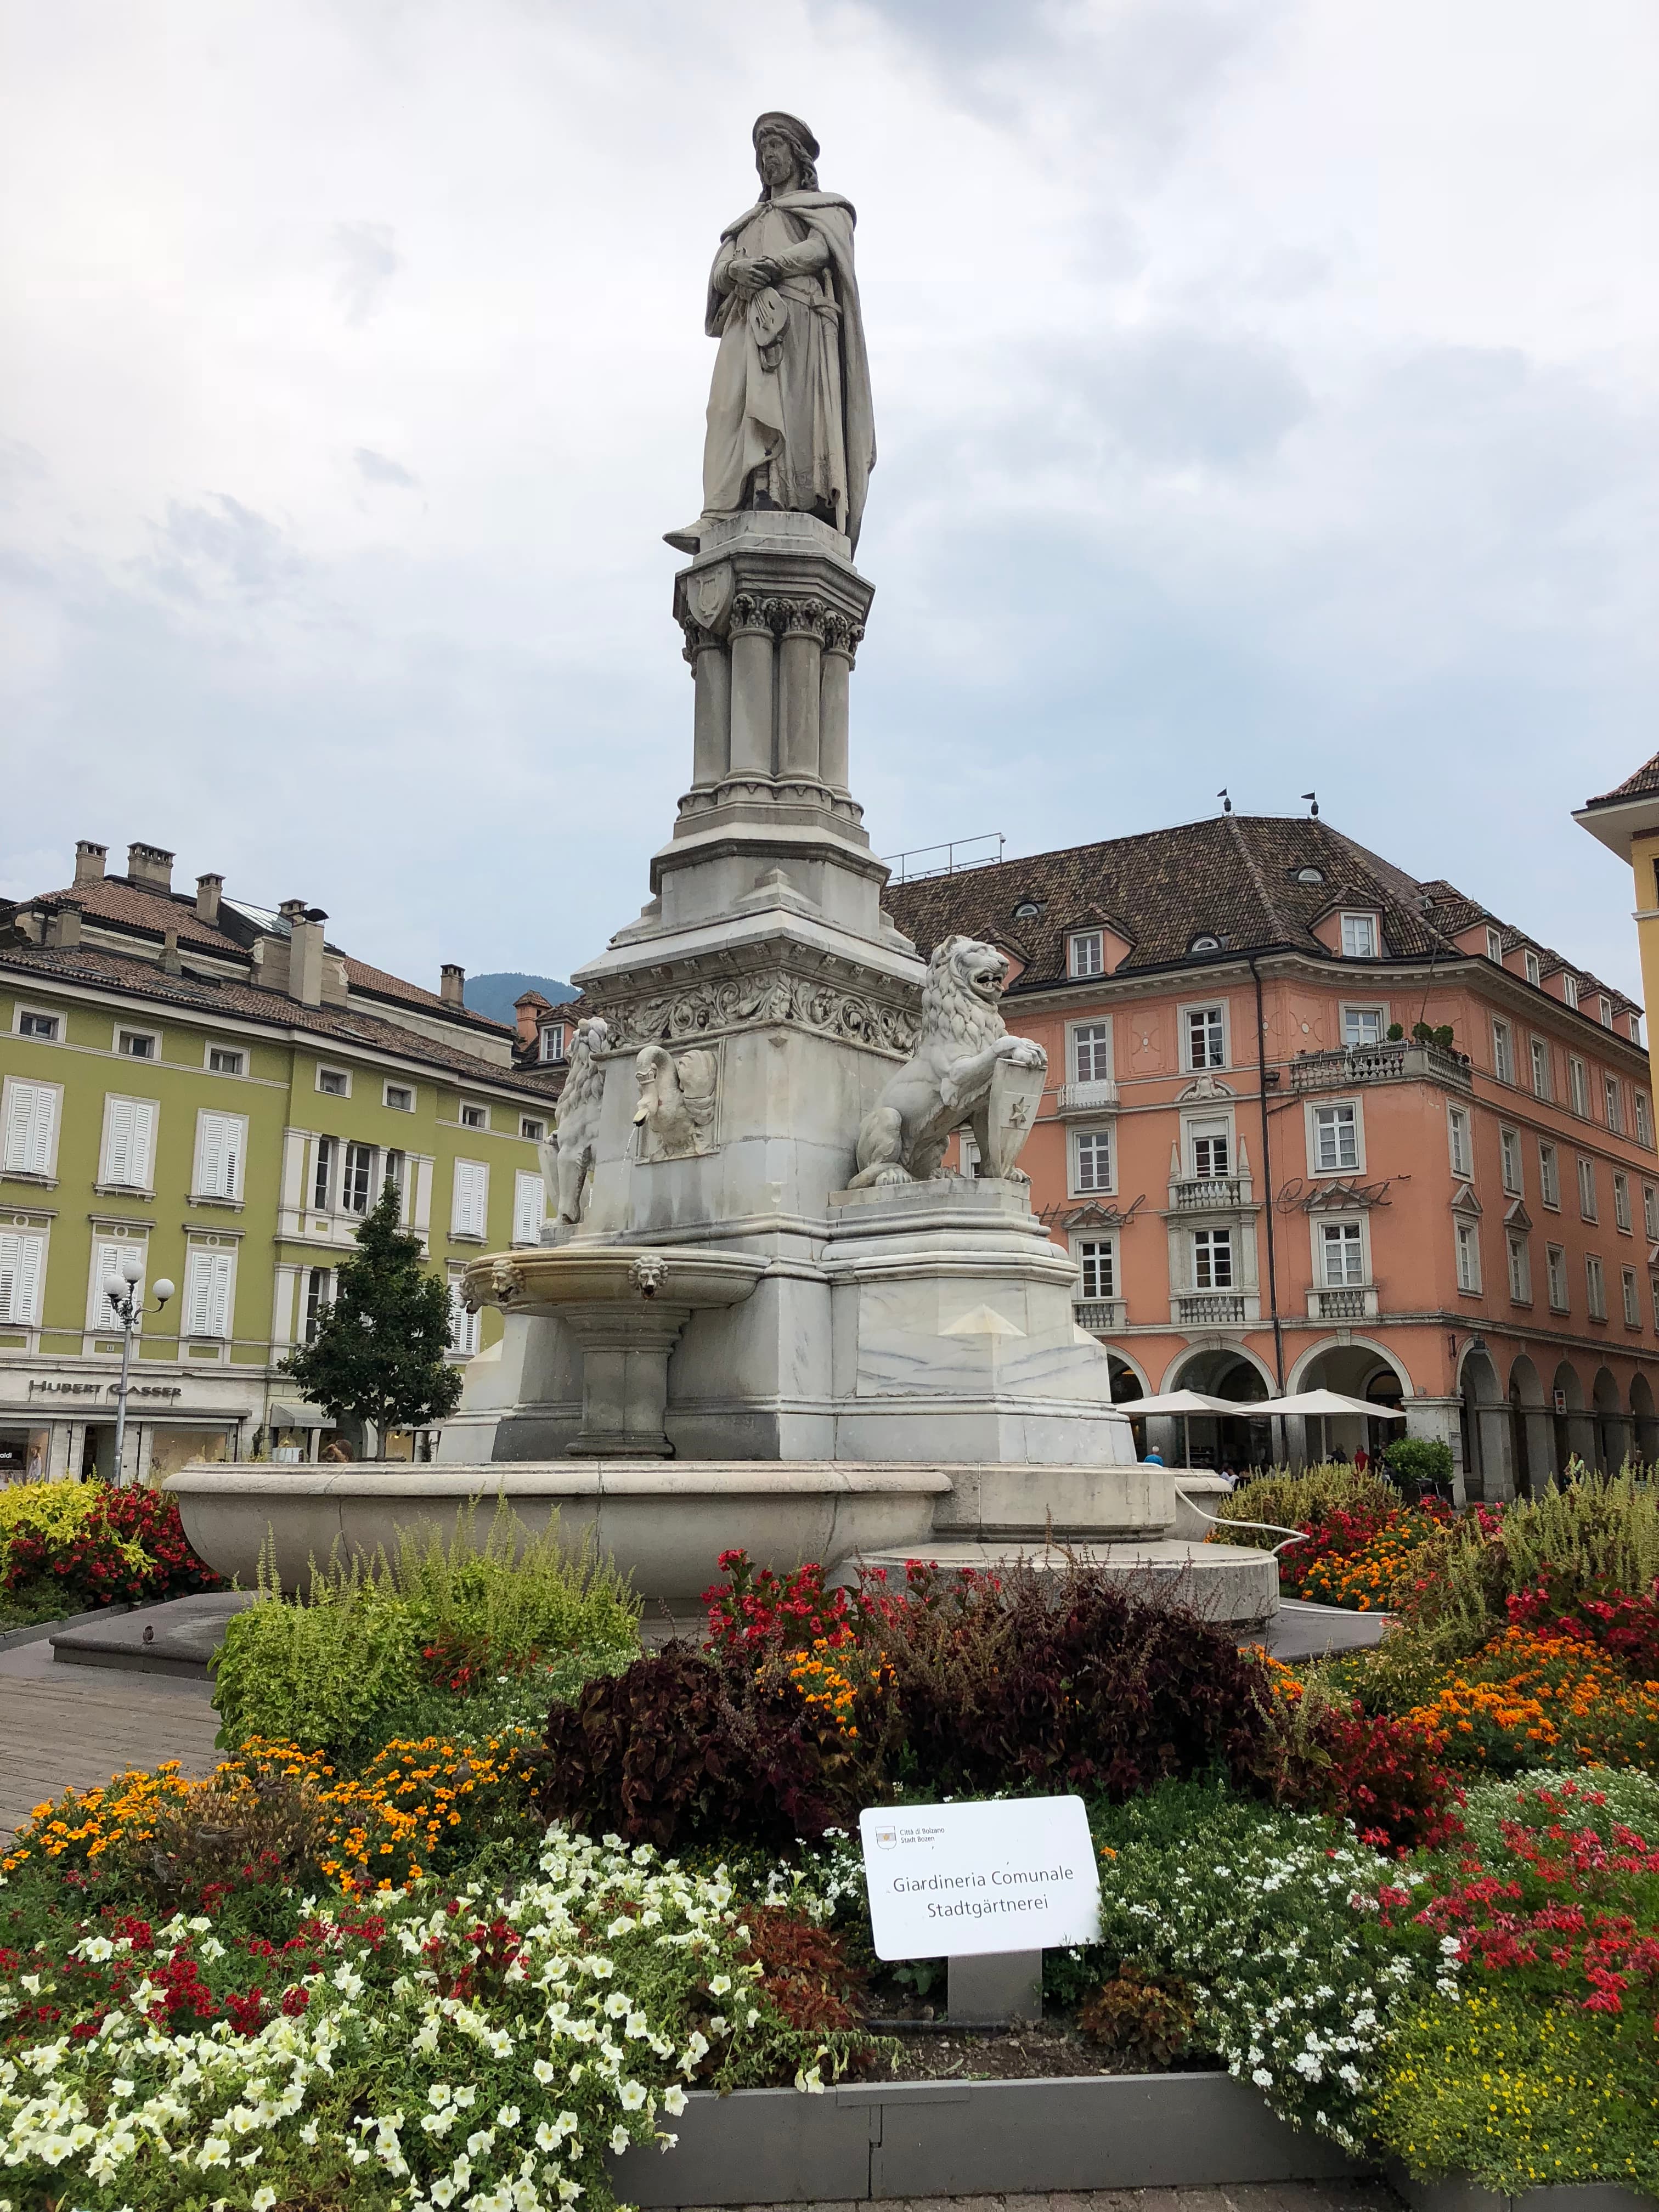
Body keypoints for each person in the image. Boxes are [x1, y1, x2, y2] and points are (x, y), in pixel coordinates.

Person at [669, 112, 875, 554]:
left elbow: (825, 250)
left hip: (798, 326)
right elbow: (719, 271)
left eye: (775, 148)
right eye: (762, 151)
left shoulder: (828, 210)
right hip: (746, 322)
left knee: (787, 412)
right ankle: (719, 512)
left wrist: (776, 266)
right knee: (725, 410)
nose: (767, 158)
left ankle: (784, 496)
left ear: (797, 156)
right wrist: (736, 270)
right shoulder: (746, 222)